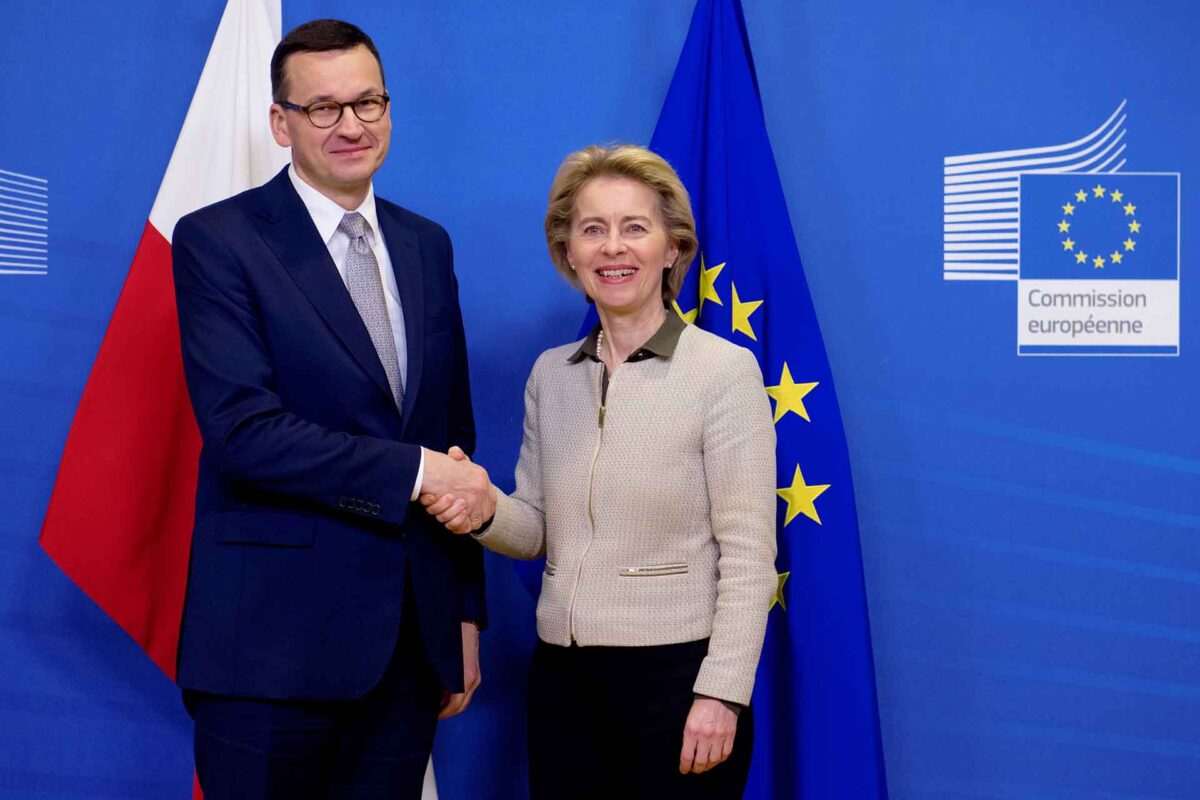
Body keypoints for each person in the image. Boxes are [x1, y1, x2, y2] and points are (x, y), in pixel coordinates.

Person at [171, 19, 494, 799]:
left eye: (367, 102)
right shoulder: (219, 240)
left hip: (408, 651)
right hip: (268, 655)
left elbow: (452, 438)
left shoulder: (427, 245)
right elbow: (245, 435)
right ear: (280, 123)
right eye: (323, 109)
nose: (351, 126)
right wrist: (414, 474)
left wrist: (461, 614)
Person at [423, 144, 778, 798]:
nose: (613, 248)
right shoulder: (550, 376)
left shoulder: (722, 373)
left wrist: (721, 694)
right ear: (569, 253)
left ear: (673, 248)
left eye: (634, 227)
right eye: (593, 229)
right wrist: (481, 509)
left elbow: (751, 554)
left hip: (678, 686)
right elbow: (535, 530)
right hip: (562, 682)